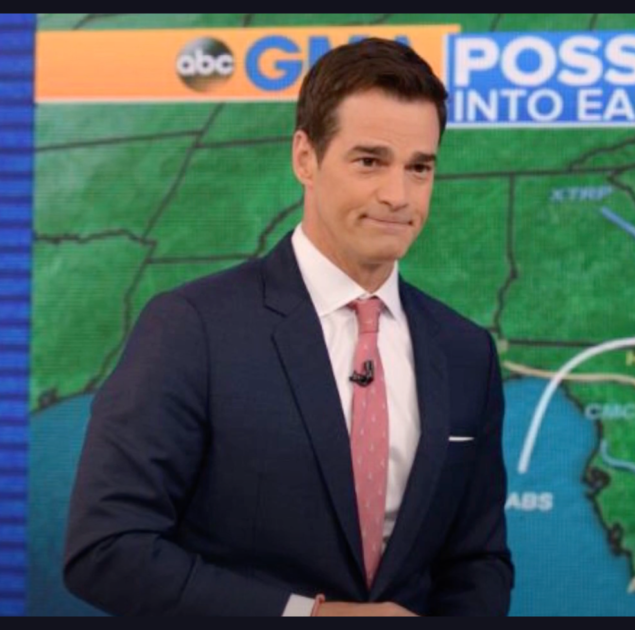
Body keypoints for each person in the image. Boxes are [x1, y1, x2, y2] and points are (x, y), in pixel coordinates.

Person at [63, 37, 513, 617]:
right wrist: (312, 617)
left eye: (419, 168)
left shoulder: (465, 351)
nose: (397, 195)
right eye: (369, 161)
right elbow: (106, 549)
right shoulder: (192, 328)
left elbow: (477, 561)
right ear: (305, 157)